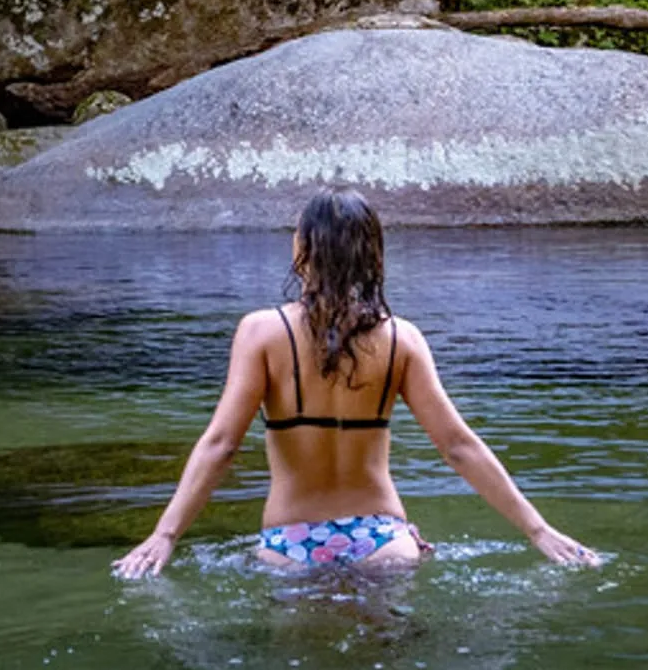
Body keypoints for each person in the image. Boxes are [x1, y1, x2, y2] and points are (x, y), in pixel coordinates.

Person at [113, 188, 598, 579]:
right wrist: (538, 531)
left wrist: (165, 535)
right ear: (372, 254)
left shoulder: (262, 333)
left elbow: (221, 445)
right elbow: (457, 446)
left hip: (290, 544)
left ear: (303, 248)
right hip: (383, 541)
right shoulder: (401, 339)